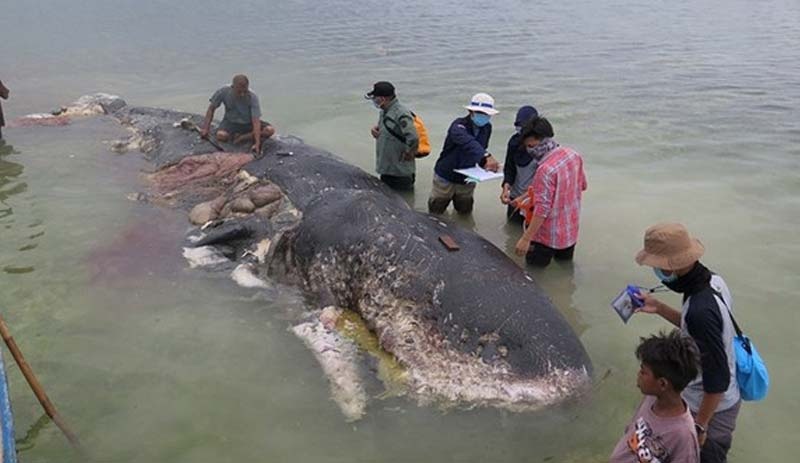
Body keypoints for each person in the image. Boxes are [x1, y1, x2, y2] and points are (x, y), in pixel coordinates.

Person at [634, 223, 741, 463]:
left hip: (711, 409)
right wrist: (659, 308)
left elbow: (718, 379)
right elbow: (701, 331)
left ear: (675, 264)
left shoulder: (700, 311)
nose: (656, 271)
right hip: (720, 395)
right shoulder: (713, 282)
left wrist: (700, 427)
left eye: (658, 266)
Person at [610, 330, 702, 463]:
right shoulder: (651, 399)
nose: (638, 375)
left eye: (643, 372)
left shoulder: (683, 435)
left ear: (662, 384)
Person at [513, 117, 587, 267]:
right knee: (565, 270)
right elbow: (582, 185)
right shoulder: (573, 154)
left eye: (531, 145)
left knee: (534, 273)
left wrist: (526, 239)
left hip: (546, 236)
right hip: (569, 231)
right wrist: (525, 196)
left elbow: (542, 210)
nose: (530, 150)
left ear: (543, 140)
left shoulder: (545, 170)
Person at [428, 93, 501, 214]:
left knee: (465, 210)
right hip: (446, 176)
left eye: (487, 114)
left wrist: (486, 164)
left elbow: (480, 148)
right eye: (480, 113)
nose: (484, 116)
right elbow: (468, 142)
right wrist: (487, 156)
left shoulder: (487, 128)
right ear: (470, 111)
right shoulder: (458, 125)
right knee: (436, 210)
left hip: (468, 177)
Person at [200, 74, 275, 153]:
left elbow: (256, 120)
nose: (242, 94)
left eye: (245, 91)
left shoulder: (252, 97)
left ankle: (244, 137)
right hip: (230, 122)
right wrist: (205, 128)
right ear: (233, 87)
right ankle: (235, 136)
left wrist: (257, 143)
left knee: (270, 130)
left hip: (248, 123)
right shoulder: (223, 91)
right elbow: (211, 109)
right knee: (221, 136)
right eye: (239, 92)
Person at [366, 81, 418, 191]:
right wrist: (376, 130)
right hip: (387, 169)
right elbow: (391, 129)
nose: (374, 101)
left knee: (402, 203)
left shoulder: (401, 113)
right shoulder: (385, 111)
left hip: (399, 173)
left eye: (375, 98)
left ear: (383, 99)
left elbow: (413, 137)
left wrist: (409, 153)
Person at [501, 105, 539, 224]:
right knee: (512, 230)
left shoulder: (542, 148)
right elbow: (509, 168)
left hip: (534, 200)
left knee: (530, 233)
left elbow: (542, 182)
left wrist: (524, 198)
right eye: (518, 126)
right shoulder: (514, 142)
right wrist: (505, 187)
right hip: (515, 197)